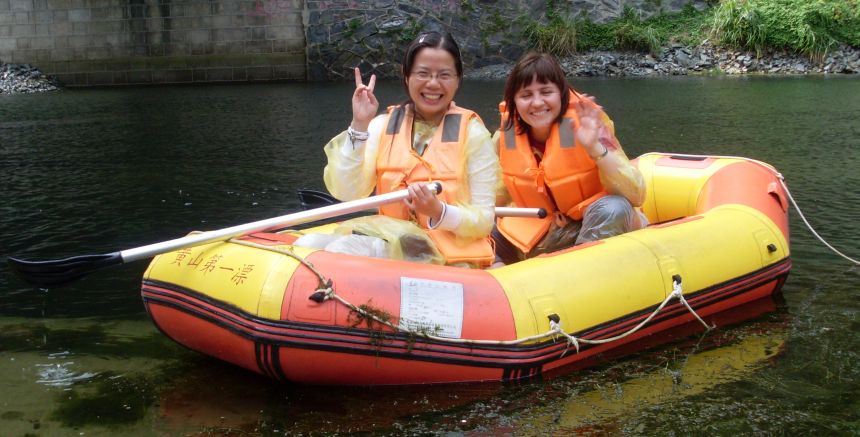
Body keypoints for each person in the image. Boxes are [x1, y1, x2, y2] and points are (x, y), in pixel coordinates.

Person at [313, 31, 499, 267]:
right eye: (423, 73)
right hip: (395, 239)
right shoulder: (382, 125)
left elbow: (484, 221)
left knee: (342, 249)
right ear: (407, 75)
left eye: (444, 75)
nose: (433, 84)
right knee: (307, 244)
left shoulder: (473, 134)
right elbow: (346, 191)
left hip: (450, 253)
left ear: (458, 79)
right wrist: (360, 124)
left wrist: (438, 210)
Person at [492, 52, 647, 266]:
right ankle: (499, 276)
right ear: (514, 102)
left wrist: (594, 147)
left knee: (614, 207)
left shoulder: (589, 125)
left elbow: (637, 194)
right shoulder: (505, 137)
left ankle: (581, 277)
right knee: (483, 220)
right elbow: (496, 195)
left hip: (591, 224)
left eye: (546, 92)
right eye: (526, 95)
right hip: (545, 230)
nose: (537, 103)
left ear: (561, 95)